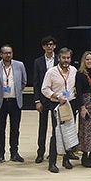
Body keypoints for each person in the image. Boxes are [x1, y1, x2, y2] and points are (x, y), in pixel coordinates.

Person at [0, 45, 27, 164]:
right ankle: (0, 154)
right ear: (1, 54)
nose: (8, 55)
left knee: (15, 129)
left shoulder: (19, 65)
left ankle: (14, 152)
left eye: (10, 53)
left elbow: (24, 82)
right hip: (1, 102)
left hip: (15, 101)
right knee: (0, 129)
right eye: (5, 53)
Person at [32, 36, 58, 164]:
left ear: (54, 46)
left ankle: (55, 151)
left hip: (56, 99)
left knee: (56, 126)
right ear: (43, 47)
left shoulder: (59, 59)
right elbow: (36, 83)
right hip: (43, 99)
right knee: (42, 127)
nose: (49, 46)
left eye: (51, 44)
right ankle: (40, 152)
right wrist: (37, 100)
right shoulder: (38, 62)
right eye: (47, 44)